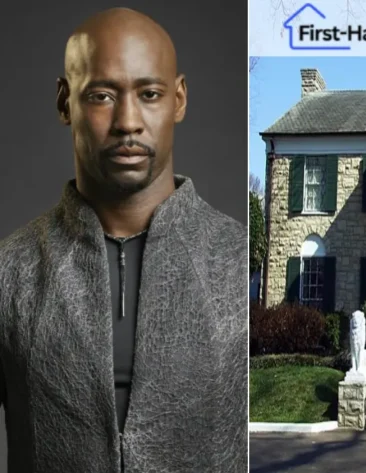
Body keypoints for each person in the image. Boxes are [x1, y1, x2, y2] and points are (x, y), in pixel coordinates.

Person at [0, 8, 247, 473]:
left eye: (149, 94)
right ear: (64, 101)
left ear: (178, 99)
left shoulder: (236, 261)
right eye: (101, 95)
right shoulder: (9, 272)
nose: (128, 121)